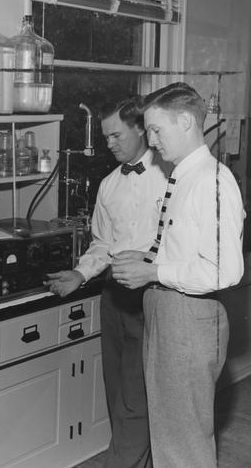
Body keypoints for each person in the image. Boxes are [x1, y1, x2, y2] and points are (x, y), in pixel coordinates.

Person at [111, 82, 245, 468]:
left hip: (188, 317)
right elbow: (185, 247)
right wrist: (148, 255)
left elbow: (223, 270)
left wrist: (153, 270)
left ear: (186, 121)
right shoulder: (182, 177)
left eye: (156, 130)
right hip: (166, 309)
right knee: (168, 433)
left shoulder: (212, 181)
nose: (150, 141)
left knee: (183, 440)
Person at [45, 98, 169, 468]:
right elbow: (102, 243)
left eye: (116, 135)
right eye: (105, 137)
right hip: (113, 299)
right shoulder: (109, 184)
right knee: (117, 392)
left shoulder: (170, 177)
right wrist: (81, 273)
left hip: (151, 296)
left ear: (140, 129)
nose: (109, 144)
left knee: (136, 397)